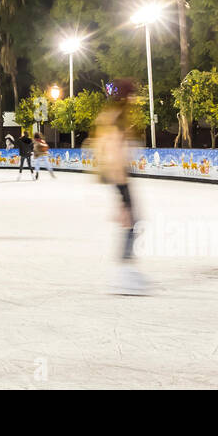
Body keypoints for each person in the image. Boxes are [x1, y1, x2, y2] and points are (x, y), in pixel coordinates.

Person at [91, 91, 152, 295]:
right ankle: (125, 273)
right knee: (132, 222)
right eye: (132, 95)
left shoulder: (111, 117)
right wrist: (121, 185)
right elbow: (113, 152)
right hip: (119, 176)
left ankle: (127, 270)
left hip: (117, 176)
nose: (134, 99)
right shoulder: (117, 120)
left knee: (132, 222)